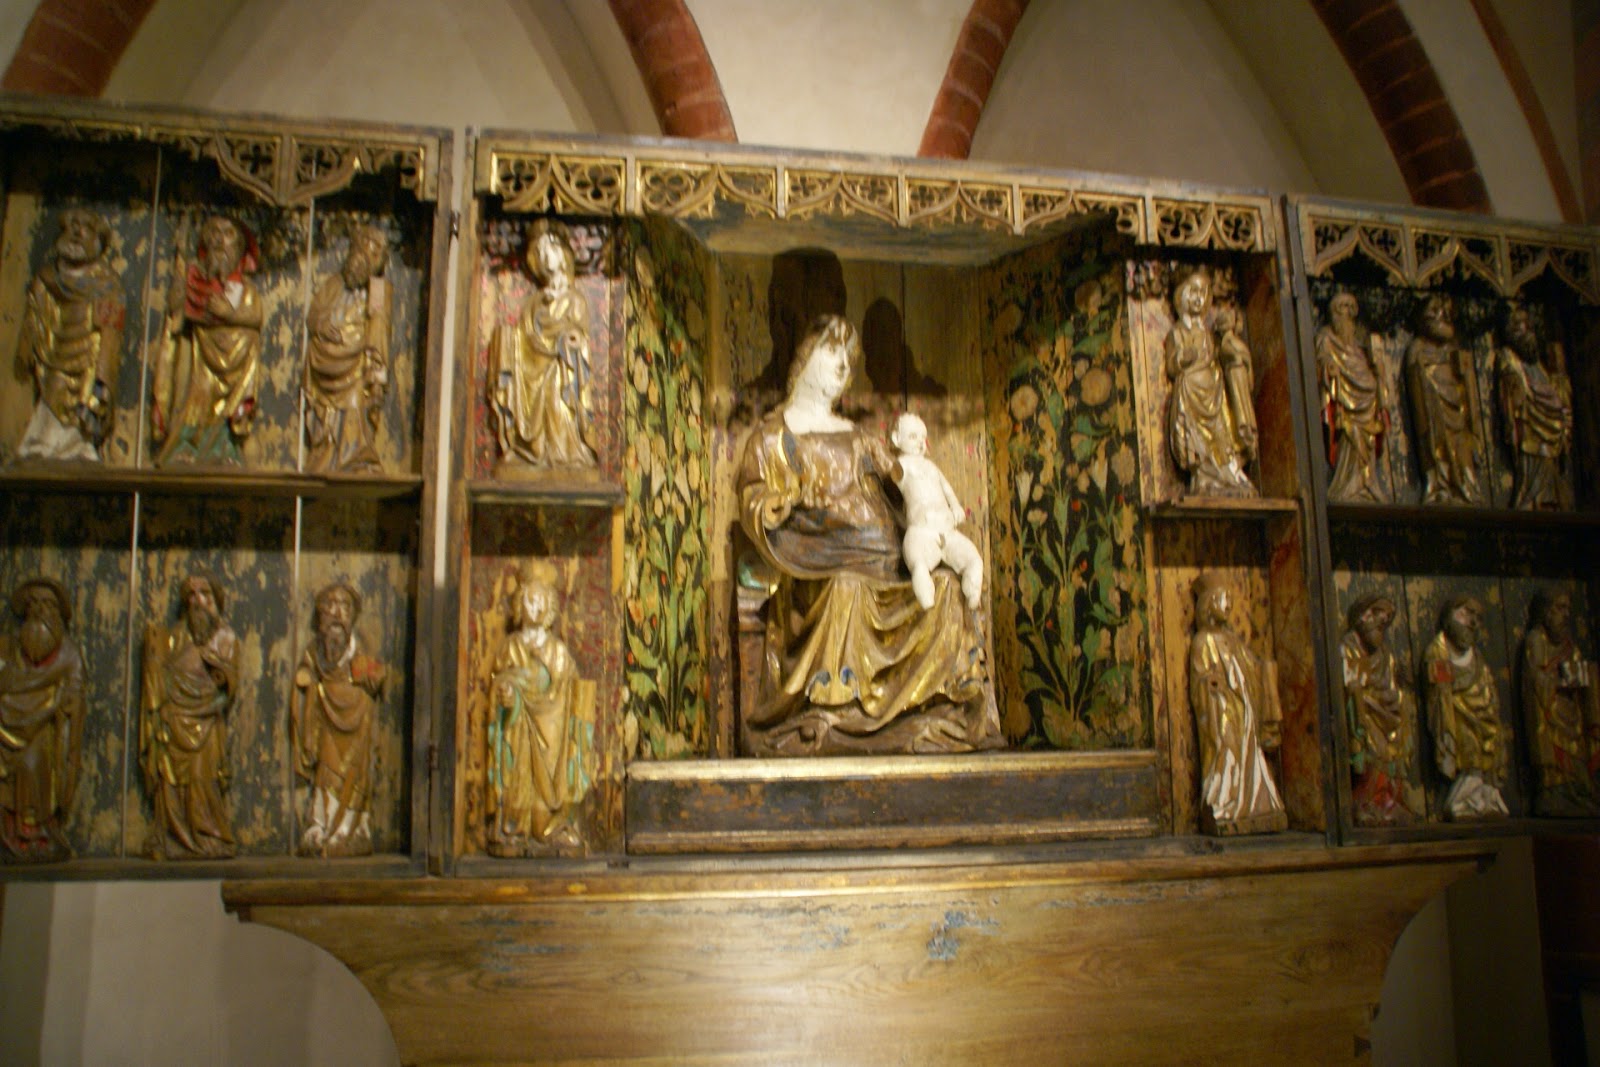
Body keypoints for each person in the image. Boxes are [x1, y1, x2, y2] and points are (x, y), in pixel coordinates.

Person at [737, 313, 1001, 756]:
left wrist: (922, 492)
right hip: (820, 562)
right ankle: (838, 715)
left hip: (884, 557)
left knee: (945, 589)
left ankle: (936, 709)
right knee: (847, 588)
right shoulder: (773, 436)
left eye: (849, 357)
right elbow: (753, 495)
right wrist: (778, 503)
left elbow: (897, 486)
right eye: (831, 351)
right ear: (804, 356)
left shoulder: (858, 435)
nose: (843, 365)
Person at [486, 566, 590, 854]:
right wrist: (507, 694)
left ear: (549, 607)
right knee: (518, 788)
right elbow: (500, 682)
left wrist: (557, 698)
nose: (535, 607)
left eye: (541, 601)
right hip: (518, 732)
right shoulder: (510, 647)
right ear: (520, 604)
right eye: (529, 600)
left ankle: (551, 825)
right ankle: (513, 828)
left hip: (551, 738)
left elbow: (571, 692)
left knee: (545, 806)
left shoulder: (558, 652)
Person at [151, 215, 264, 466]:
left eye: (228, 235)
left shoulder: (246, 290)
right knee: (195, 400)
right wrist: (181, 270)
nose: (220, 241)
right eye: (214, 233)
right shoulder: (195, 281)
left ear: (239, 250)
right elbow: (176, 313)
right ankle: (188, 444)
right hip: (199, 361)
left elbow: (255, 318)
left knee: (250, 339)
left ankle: (225, 445)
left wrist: (229, 315)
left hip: (235, 365)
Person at [14, 208, 125, 462]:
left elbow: (111, 333)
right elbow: (35, 311)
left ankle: (79, 444)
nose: (76, 232)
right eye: (72, 225)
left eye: (85, 227)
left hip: (89, 354)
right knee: (53, 390)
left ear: (97, 239)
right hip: (57, 349)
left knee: (84, 400)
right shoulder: (49, 277)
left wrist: (104, 373)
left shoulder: (106, 283)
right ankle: (42, 443)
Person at [140, 573, 239, 858]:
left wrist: (207, 705)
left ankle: (208, 836)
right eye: (192, 595)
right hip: (173, 721)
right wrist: (153, 654)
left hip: (206, 723)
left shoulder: (226, 639)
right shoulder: (173, 637)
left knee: (202, 780)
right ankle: (175, 836)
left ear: (215, 600)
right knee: (171, 783)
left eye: (204, 593)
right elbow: (161, 674)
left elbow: (228, 688)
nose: (198, 601)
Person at [488, 219, 597, 472]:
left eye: (550, 249)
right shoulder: (534, 303)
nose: (545, 256)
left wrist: (570, 339)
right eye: (539, 251)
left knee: (557, 397)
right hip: (531, 375)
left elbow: (580, 336)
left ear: (563, 255)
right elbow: (525, 339)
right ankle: (527, 449)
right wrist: (508, 339)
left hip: (560, 371)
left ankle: (567, 453)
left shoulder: (575, 300)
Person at [1187, 573, 1285, 835]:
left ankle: (1254, 804)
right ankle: (1224, 802)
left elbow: (1248, 667)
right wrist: (1211, 684)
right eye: (1223, 599)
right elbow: (1200, 680)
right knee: (1226, 750)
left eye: (1230, 599)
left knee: (1248, 753)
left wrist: (1263, 669)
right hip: (1222, 709)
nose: (1228, 605)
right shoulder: (1203, 641)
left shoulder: (1232, 640)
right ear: (1209, 603)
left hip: (1243, 709)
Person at [293, 583, 386, 856]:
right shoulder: (315, 651)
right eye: (330, 605)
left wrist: (372, 677)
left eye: (344, 606)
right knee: (326, 773)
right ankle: (320, 826)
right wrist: (308, 682)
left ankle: (351, 829)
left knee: (355, 776)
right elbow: (305, 673)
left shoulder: (361, 647)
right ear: (320, 614)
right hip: (326, 719)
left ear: (352, 615)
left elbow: (376, 675)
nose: (337, 612)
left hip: (358, 720)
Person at [0, 578, 85, 861]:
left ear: (57, 612)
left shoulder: (69, 653)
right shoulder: (8, 647)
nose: (38, 610)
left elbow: (75, 693)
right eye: (33, 603)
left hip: (45, 727)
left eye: (46, 604)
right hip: (6, 723)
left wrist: (59, 703)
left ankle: (33, 831)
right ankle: (9, 832)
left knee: (32, 762)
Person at [304, 226, 391, 473]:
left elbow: (379, 328)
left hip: (355, 366)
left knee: (354, 407)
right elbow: (313, 316)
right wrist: (322, 325)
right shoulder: (334, 284)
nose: (355, 271)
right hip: (326, 360)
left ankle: (356, 457)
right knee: (327, 419)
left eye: (363, 265)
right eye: (354, 263)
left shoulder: (377, 290)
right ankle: (326, 454)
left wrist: (376, 374)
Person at [1164, 268, 1257, 497]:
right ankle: (1205, 474)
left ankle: (1228, 472)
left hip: (1214, 389)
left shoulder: (1208, 333)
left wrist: (1229, 344)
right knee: (1197, 431)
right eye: (1193, 292)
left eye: (1203, 293)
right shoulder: (1177, 332)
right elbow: (1172, 365)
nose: (1198, 298)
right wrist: (1182, 357)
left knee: (1222, 431)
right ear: (1181, 295)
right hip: (1192, 391)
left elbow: (1217, 355)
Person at [1423, 595, 1508, 819]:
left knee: (1491, 742)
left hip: (1483, 713)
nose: (1472, 622)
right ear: (1449, 617)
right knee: (1468, 744)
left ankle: (1484, 798)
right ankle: (1463, 800)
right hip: (1458, 712)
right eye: (1466, 613)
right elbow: (1441, 688)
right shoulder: (1438, 650)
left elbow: (1486, 683)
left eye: (1477, 618)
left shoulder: (1476, 656)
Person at [889, 412, 982, 611]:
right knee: (918, 563)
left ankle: (972, 590)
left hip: (948, 531)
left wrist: (955, 506)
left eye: (923, 438)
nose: (920, 443)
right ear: (896, 439)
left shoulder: (931, 466)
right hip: (921, 531)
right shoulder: (901, 465)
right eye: (913, 437)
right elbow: (892, 473)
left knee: (973, 558)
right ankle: (926, 596)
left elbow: (947, 489)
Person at [1340, 594, 1418, 825]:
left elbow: (1391, 683)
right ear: (1362, 617)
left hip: (1386, 711)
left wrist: (1398, 695)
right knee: (1374, 747)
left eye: (1385, 619)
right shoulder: (1348, 647)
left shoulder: (1384, 655)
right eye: (1376, 614)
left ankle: (1390, 800)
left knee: (1397, 740)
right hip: (1365, 709)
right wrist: (1366, 701)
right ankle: (1367, 801)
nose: (1381, 620)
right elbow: (1350, 682)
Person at [1520, 590, 1597, 816]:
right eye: (1560, 608)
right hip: (1548, 709)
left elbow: (1579, 674)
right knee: (1554, 752)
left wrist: (1584, 677)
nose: (1566, 615)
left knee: (1578, 760)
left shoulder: (1570, 647)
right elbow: (1534, 678)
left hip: (1570, 711)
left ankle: (1577, 792)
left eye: (1568, 609)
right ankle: (1554, 792)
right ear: (1546, 612)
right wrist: (1559, 680)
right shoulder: (1536, 639)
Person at [1404, 294, 1485, 505]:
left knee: (1462, 447)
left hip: (1457, 412)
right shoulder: (1417, 348)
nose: (1445, 316)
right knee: (1436, 445)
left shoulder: (1453, 348)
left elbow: (1469, 389)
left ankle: (1466, 486)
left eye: (1448, 312)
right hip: (1434, 412)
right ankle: (1440, 485)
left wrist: (1465, 374)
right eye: (1436, 311)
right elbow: (1416, 388)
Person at [1316, 291, 1391, 503]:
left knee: (1368, 440)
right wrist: (1329, 367)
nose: (1347, 315)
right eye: (1343, 309)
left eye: (1351, 309)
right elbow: (1323, 359)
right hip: (1345, 401)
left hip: (1366, 402)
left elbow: (1369, 371)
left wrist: (1377, 369)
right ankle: (1349, 485)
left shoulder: (1359, 347)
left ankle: (1368, 482)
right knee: (1350, 440)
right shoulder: (1326, 338)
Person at [1496, 306, 1573, 511]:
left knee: (1549, 461)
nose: (1528, 330)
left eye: (1529, 326)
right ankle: (1532, 498)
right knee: (1533, 458)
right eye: (1521, 326)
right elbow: (1513, 390)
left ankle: (1550, 499)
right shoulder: (1508, 356)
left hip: (1547, 421)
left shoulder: (1537, 363)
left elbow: (1549, 389)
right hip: (1528, 421)